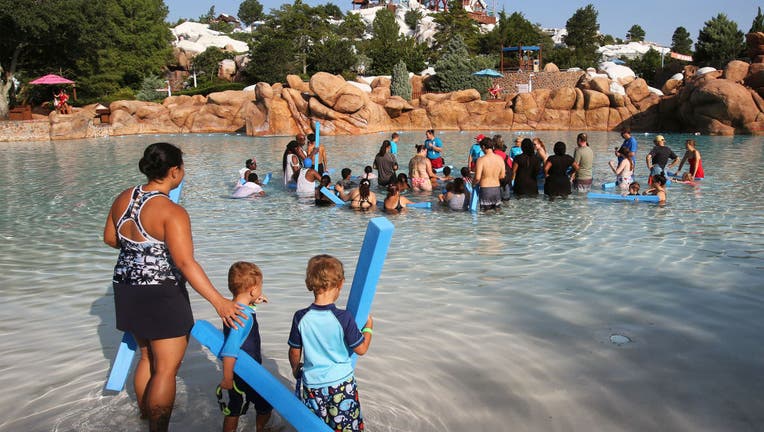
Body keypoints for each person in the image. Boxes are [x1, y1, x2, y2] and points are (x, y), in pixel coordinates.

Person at [103, 142, 246, 432]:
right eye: (183, 168)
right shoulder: (172, 212)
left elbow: (109, 238)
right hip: (161, 295)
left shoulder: (125, 197)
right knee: (166, 371)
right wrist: (220, 302)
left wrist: (140, 251)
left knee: (146, 357)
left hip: (127, 288)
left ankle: (145, 417)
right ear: (174, 171)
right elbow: (185, 263)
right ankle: (158, 427)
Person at [288, 255, 373, 431]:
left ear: (310, 283)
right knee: (347, 427)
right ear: (341, 283)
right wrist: (369, 328)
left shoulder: (300, 317)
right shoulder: (344, 318)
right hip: (341, 385)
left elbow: (294, 351)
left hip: (313, 387)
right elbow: (362, 348)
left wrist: (296, 368)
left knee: (316, 427)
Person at [217, 262, 272, 432]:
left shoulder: (233, 310)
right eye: (260, 288)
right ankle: (260, 429)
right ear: (253, 290)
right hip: (246, 373)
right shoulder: (244, 317)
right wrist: (227, 378)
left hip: (237, 371)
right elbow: (230, 349)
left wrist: (254, 303)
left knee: (235, 408)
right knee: (265, 404)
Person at [474, 137, 505, 210]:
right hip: (496, 189)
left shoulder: (481, 160)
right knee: (497, 213)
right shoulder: (500, 159)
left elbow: (477, 178)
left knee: (486, 215)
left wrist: (473, 184)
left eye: (481, 148)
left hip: (485, 189)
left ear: (484, 147)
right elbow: (502, 176)